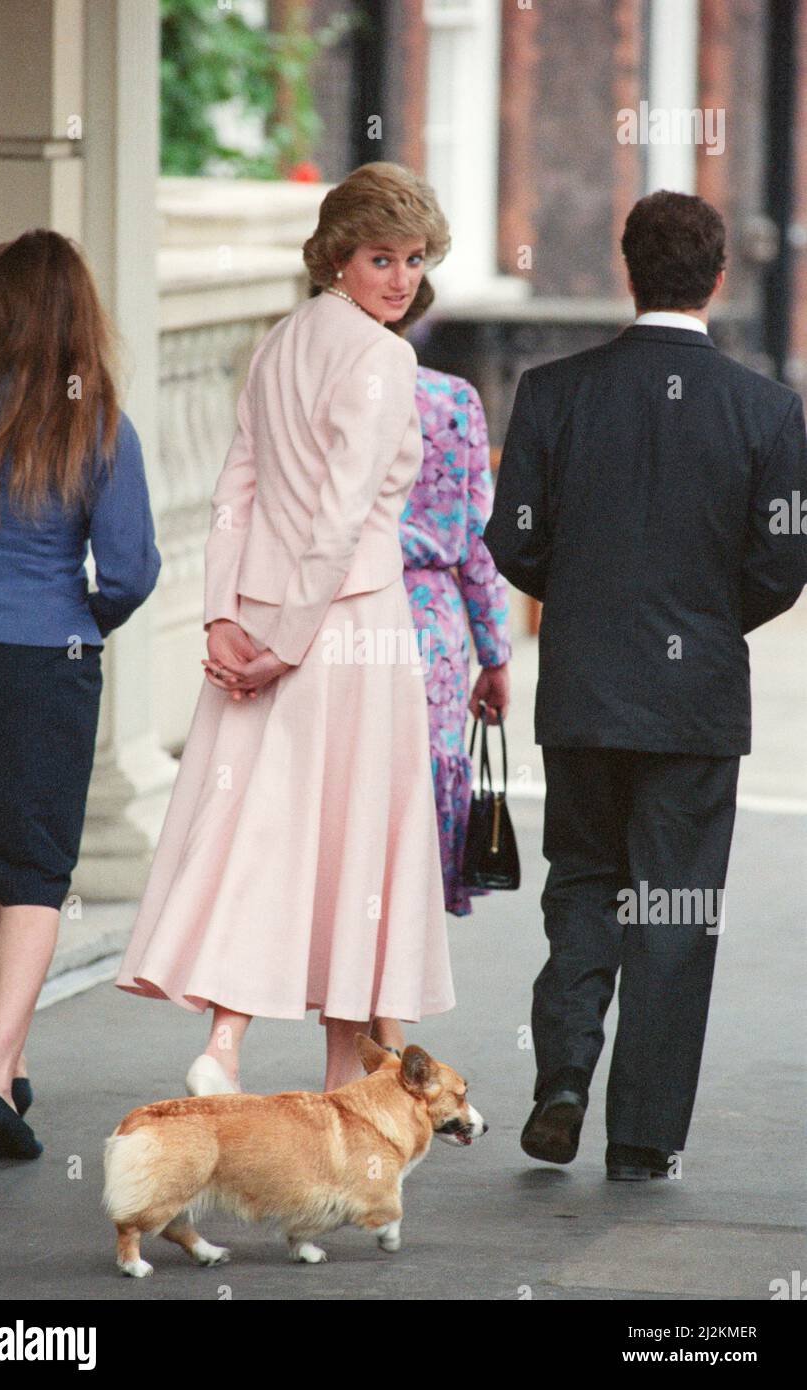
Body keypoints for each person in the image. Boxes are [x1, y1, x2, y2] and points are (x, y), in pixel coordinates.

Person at [483, 190, 807, 1180]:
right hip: (696, 699)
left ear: (628, 269)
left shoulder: (550, 391)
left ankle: (564, 1076)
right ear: (717, 277)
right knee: (672, 909)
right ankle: (640, 1137)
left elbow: (513, 540)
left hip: (582, 686)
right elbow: (782, 560)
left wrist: (583, 606)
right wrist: (704, 627)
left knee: (581, 883)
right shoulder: (769, 408)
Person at [115, 163, 456, 1094]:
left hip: (271, 619)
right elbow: (338, 516)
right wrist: (279, 644)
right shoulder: (385, 358)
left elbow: (236, 492)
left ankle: (234, 1047)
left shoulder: (277, 342)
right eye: (381, 257)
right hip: (344, 632)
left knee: (263, 830)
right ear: (337, 257)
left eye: (414, 259)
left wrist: (227, 617)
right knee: (344, 843)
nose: (400, 278)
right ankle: (335, 1074)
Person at [0, 228, 161, 1160]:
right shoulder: (98, 421)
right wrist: (78, 619)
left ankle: (10, 1063)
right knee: (35, 870)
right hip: (46, 659)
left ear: (3, 308)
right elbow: (130, 568)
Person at [369, 277, 512, 1058]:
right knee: (412, 822)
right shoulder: (452, 401)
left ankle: (372, 1022)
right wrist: (494, 653)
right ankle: (389, 1019)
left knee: (359, 816)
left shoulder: (329, 388)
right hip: (430, 626)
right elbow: (477, 540)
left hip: (344, 612)